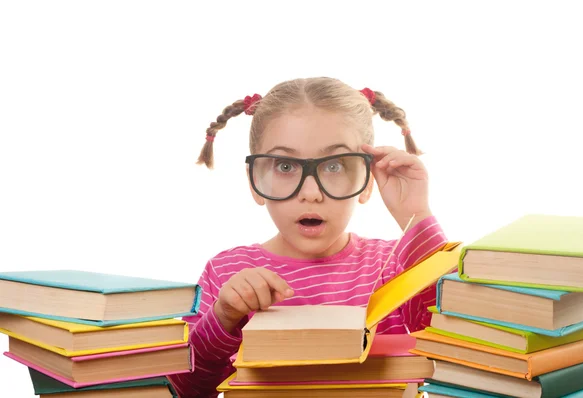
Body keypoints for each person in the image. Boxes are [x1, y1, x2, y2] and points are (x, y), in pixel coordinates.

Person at [169, 77, 448, 397]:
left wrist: (416, 216)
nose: (311, 193)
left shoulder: (394, 265)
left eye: (335, 167)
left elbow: (461, 350)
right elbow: (183, 389)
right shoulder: (227, 273)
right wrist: (223, 317)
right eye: (286, 165)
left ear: (368, 179)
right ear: (254, 179)